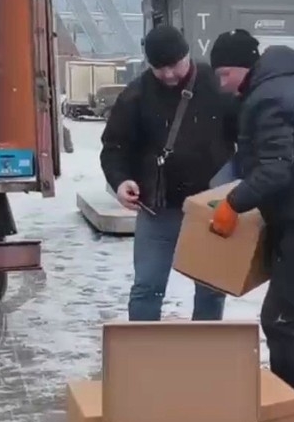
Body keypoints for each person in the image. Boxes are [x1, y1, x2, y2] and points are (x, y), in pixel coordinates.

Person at [207, 29, 294, 414]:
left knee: (279, 316)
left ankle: (284, 409)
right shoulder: (285, 87)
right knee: (292, 309)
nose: (223, 84)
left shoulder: (269, 97)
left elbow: (276, 170)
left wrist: (232, 203)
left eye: (225, 74)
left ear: (244, 67)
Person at [100, 24, 236, 321]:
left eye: (174, 65)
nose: (169, 74)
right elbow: (114, 147)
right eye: (159, 68)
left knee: (212, 288)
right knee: (147, 287)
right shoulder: (136, 95)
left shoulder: (216, 87)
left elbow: (245, 138)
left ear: (187, 55)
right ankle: (143, 356)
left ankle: (206, 352)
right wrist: (121, 180)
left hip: (211, 209)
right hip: (158, 209)